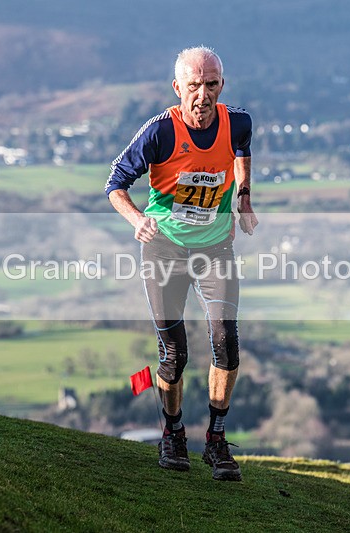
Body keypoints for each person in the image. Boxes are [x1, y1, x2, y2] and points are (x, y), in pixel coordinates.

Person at [105, 46, 258, 481]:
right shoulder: (159, 133)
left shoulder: (238, 122)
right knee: (174, 354)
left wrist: (244, 198)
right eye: (194, 86)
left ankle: (216, 441)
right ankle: (173, 435)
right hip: (165, 251)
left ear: (221, 86)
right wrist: (137, 220)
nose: (203, 94)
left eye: (211, 85)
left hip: (215, 251)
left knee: (226, 345)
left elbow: (242, 149)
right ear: (178, 88)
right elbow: (115, 183)